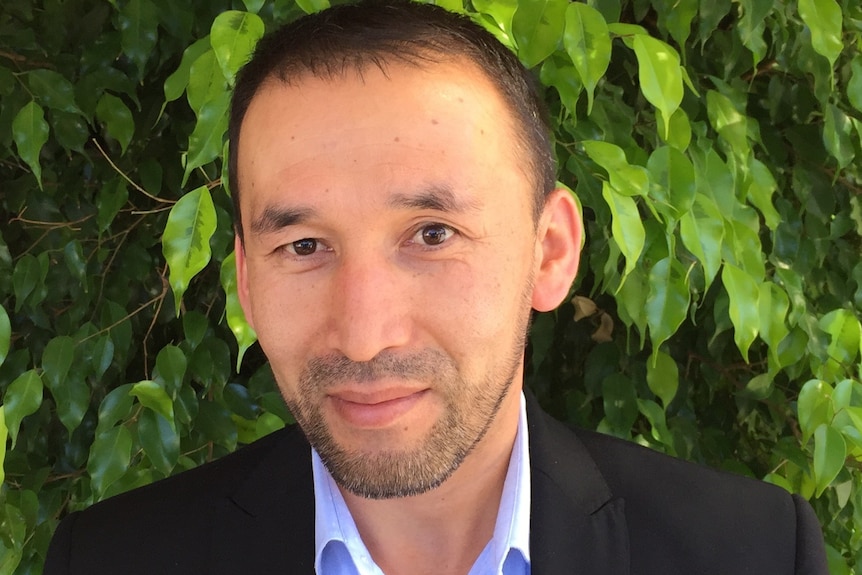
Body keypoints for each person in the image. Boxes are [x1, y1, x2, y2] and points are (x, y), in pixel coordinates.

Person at [44, 1, 828, 573]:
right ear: (247, 280)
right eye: (305, 244)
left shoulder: (753, 552)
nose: (365, 333)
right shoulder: (112, 559)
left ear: (548, 252)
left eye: (432, 235)